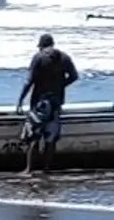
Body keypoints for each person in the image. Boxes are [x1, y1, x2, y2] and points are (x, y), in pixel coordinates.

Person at [18, 32, 79, 174]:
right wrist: (61, 85)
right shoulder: (64, 57)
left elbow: (29, 81)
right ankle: (47, 168)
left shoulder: (39, 57)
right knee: (50, 138)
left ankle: (29, 169)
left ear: (41, 45)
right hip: (56, 102)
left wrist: (20, 100)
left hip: (39, 103)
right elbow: (74, 76)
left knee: (34, 136)